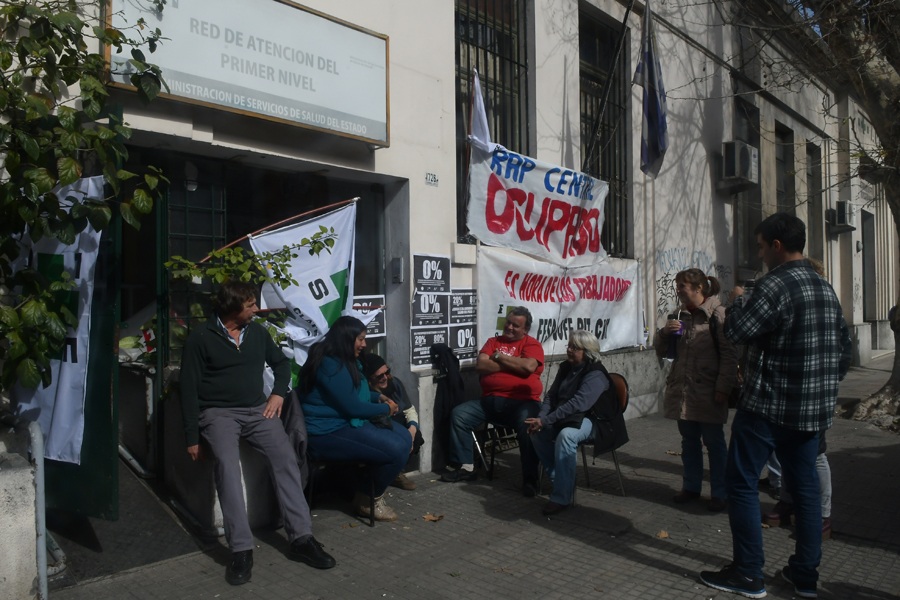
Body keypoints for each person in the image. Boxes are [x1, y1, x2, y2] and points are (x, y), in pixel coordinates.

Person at [700, 213, 852, 599]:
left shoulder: (774, 286)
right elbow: (844, 353)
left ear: (777, 246)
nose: (760, 253)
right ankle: (805, 577)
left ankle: (749, 574)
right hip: (810, 411)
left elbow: (735, 331)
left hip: (768, 407)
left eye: (761, 246)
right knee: (804, 489)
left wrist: (736, 302)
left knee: (742, 482)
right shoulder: (825, 288)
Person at [179, 281, 335, 586]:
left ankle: (302, 539)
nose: (256, 309)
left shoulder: (258, 332)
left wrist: (278, 393)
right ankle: (241, 549)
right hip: (217, 412)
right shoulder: (200, 338)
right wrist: (191, 437)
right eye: (250, 304)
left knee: (286, 458)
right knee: (226, 466)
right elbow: (188, 389)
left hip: (255, 409)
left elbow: (280, 363)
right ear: (233, 307)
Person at [299, 316, 412, 522]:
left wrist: (378, 397)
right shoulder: (330, 365)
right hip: (325, 433)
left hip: (343, 424)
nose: (364, 344)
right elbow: (353, 407)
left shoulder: (342, 360)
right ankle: (368, 498)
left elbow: (352, 393)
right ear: (345, 338)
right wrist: (386, 409)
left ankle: (366, 492)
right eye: (360, 339)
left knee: (405, 437)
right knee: (396, 448)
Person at [654, 269, 738, 512]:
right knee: (689, 441)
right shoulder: (678, 314)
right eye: (677, 285)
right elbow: (662, 352)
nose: (678, 290)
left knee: (714, 444)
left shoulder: (717, 314)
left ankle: (720, 492)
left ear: (699, 288)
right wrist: (663, 333)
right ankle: (691, 487)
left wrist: (724, 387)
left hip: (710, 391)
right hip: (683, 391)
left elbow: (730, 355)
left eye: (683, 286)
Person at [441, 307, 544, 496]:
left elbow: (529, 367)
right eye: (509, 322)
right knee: (459, 415)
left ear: (526, 329)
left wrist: (499, 356)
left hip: (522, 403)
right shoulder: (493, 341)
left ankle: (530, 478)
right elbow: (481, 365)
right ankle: (466, 467)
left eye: (516, 325)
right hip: (489, 402)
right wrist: (515, 363)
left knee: (528, 424)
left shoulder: (532, 344)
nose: (510, 327)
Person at [526, 330, 626, 515]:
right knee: (536, 432)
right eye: (569, 346)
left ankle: (561, 497)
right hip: (569, 416)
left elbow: (578, 404)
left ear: (587, 352)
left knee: (566, 436)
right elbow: (551, 395)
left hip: (597, 420)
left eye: (575, 348)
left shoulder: (595, 373)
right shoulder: (566, 367)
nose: (570, 350)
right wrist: (542, 418)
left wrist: (547, 420)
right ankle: (563, 479)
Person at [363, 353, 424, 490]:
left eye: (387, 372)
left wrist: (412, 432)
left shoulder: (395, 383)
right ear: (369, 378)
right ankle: (383, 474)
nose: (385, 377)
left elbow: (409, 410)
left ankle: (397, 472)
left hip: (401, 425)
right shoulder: (367, 392)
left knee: (417, 437)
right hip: (382, 428)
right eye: (379, 376)